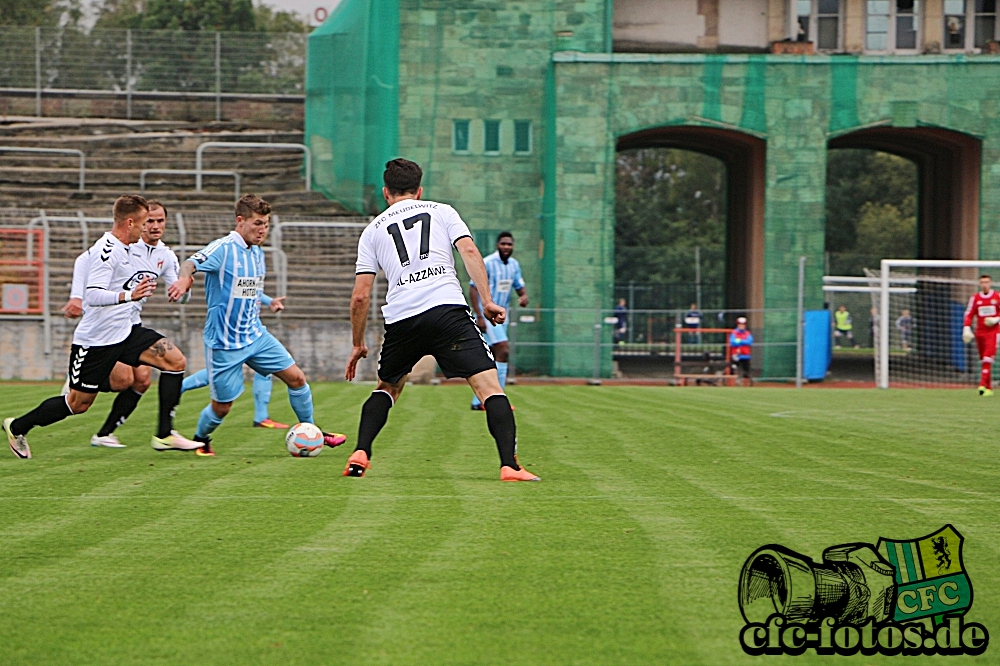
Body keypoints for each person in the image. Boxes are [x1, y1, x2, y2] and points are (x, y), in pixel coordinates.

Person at [344, 158, 538, 482]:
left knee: (388, 387)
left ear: (385, 192)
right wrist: (487, 302)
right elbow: (471, 253)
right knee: (489, 388)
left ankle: (361, 452)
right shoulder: (443, 211)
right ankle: (510, 466)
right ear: (419, 190)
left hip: (402, 319)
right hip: (446, 311)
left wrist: (357, 343)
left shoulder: (373, 230)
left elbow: (360, 296)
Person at [4, 195, 201, 458]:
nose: (148, 228)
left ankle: (165, 434)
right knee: (78, 404)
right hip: (96, 339)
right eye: (145, 222)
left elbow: (175, 288)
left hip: (128, 330)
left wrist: (185, 284)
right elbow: (93, 295)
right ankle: (17, 426)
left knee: (175, 362)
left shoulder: (145, 250)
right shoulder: (107, 251)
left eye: (155, 221)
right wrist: (126, 296)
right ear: (131, 222)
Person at [167, 194, 346, 456]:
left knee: (296, 378)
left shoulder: (258, 252)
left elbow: (246, 289)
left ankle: (312, 430)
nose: (262, 230)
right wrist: (184, 280)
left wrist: (268, 301)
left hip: (256, 335)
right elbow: (190, 263)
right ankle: (201, 439)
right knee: (222, 407)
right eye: (257, 224)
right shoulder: (223, 248)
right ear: (240, 221)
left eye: (266, 224)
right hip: (225, 343)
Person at [181, 287, 290, 430]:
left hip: (249, 331)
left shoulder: (251, 269)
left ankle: (261, 417)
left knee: (265, 371)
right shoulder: (235, 267)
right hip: (233, 334)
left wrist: (269, 301)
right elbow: (237, 288)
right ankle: (178, 387)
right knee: (218, 374)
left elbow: (251, 289)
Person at [469, 231, 528, 410]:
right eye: (503, 244)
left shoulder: (514, 265)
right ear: (497, 245)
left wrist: (524, 296)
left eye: (509, 244)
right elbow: (473, 289)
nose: (506, 247)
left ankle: (479, 401)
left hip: (503, 317)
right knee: (503, 350)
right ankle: (498, 401)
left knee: (491, 357)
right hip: (488, 316)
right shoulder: (487, 263)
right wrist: (479, 315)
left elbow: (519, 286)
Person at [962, 275, 1000, 396]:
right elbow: (969, 313)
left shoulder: (997, 296)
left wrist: (996, 319)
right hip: (980, 332)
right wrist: (966, 327)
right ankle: (988, 389)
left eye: (987, 282)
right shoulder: (975, 298)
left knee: (987, 358)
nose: (985, 284)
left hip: (994, 332)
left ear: (991, 283)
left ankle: (982, 384)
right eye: (982, 282)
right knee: (983, 358)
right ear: (979, 284)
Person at [729, 316, 753, 383]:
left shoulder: (747, 333)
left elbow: (749, 342)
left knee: (746, 370)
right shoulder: (734, 332)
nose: (742, 326)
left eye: (743, 324)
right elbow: (732, 342)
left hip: (745, 355)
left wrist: (739, 341)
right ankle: (732, 383)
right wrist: (743, 341)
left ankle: (746, 383)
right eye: (740, 324)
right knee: (733, 368)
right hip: (736, 355)